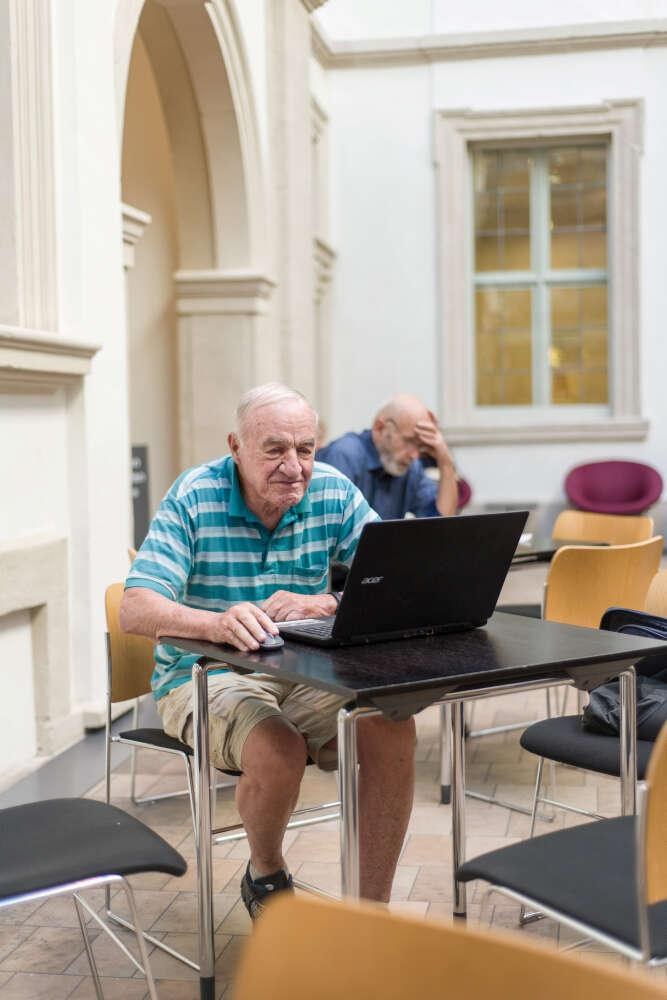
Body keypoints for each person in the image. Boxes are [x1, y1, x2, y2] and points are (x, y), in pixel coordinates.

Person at [120, 383, 416, 917]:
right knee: (278, 749)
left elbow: (395, 577)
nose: (294, 467)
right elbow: (135, 608)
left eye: (305, 449)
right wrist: (216, 622)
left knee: (391, 721)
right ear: (236, 446)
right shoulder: (195, 495)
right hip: (202, 675)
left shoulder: (331, 490)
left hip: (303, 671)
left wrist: (326, 602)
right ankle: (266, 873)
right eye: (275, 449)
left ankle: (371, 917)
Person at [316, 394, 458, 521]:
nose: (415, 455)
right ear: (379, 429)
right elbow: (331, 531)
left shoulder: (410, 467)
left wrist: (445, 462)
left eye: (420, 446)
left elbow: (441, 525)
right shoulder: (345, 455)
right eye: (409, 441)